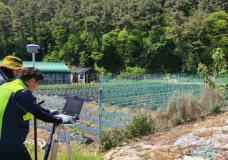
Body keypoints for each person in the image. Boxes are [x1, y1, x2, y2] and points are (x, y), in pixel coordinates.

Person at [0, 67, 75, 160]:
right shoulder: (22, 92)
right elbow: (38, 113)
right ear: (32, 80)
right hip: (9, 143)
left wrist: (49, 112)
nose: (37, 86)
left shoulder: (7, 86)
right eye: (38, 83)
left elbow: (33, 106)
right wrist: (60, 119)